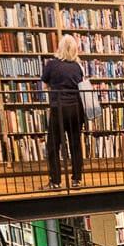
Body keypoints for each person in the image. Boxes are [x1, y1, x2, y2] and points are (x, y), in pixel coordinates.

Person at [43, 33, 87, 189]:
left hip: (58, 108)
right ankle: (77, 179)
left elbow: (45, 84)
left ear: (60, 47)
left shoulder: (51, 64)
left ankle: (55, 181)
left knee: (53, 146)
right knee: (75, 144)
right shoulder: (78, 66)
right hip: (76, 108)